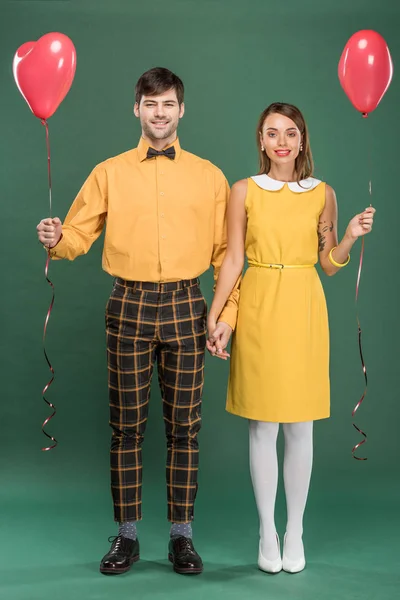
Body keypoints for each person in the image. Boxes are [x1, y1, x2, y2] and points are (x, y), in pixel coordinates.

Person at [36, 67, 238, 576]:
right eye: (151, 104)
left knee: (184, 429)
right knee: (126, 428)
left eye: (168, 103)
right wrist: (57, 238)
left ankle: (181, 538)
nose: (160, 113)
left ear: (181, 109)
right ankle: (126, 536)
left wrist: (224, 316)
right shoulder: (108, 172)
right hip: (127, 303)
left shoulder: (209, 175)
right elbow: (78, 235)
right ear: (137, 110)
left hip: (188, 306)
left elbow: (225, 255)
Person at [206, 102, 375, 574]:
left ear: (302, 140)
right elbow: (234, 261)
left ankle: (295, 529)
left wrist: (351, 237)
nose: (282, 140)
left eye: (291, 132)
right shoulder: (244, 191)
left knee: (301, 424)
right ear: (260, 140)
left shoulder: (323, 193)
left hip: (303, 303)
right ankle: (267, 530)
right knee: (262, 424)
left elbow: (328, 262)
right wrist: (216, 316)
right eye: (271, 132)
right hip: (259, 302)